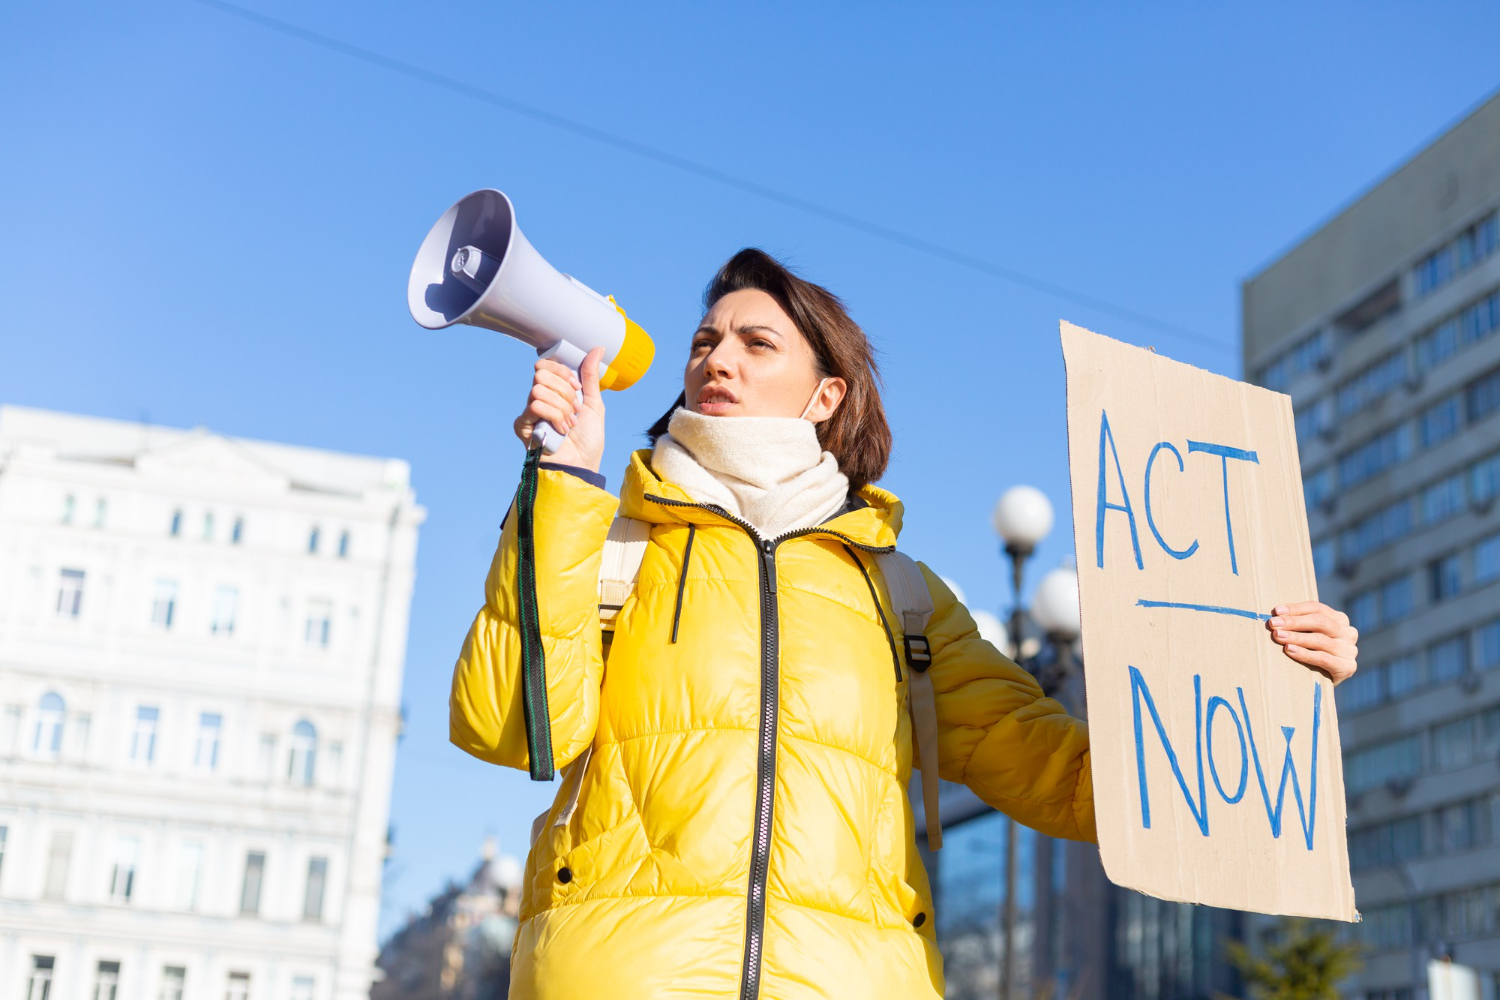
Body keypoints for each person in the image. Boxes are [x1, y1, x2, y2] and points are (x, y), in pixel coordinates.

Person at [449, 249, 1359, 1000]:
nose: (716, 358)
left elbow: (1070, 782)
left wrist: (1264, 673)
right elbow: (506, 728)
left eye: (757, 342)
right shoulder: (611, 545)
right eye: (705, 339)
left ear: (826, 397)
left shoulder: (903, 595)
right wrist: (561, 485)